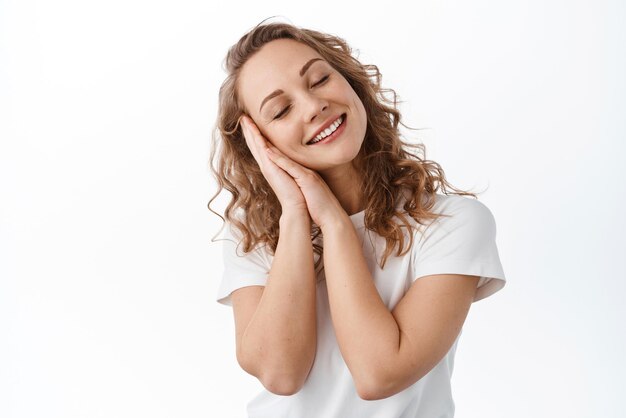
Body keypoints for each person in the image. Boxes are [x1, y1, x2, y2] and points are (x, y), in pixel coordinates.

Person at [208, 18, 507, 418]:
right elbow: (280, 373)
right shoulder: (253, 233)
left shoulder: (453, 223)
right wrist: (296, 214)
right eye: (280, 111)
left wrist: (333, 221)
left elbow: (378, 374)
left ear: (352, 83)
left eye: (319, 80)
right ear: (260, 145)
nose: (315, 106)